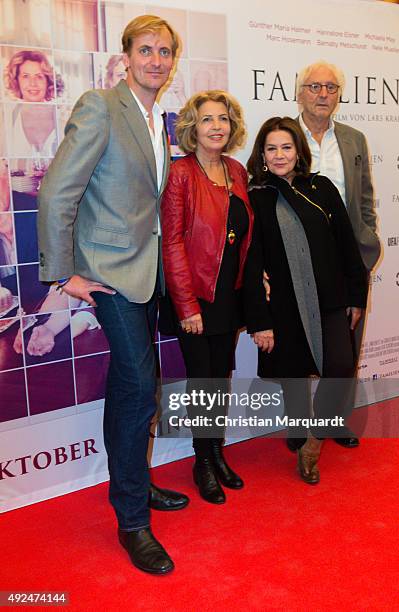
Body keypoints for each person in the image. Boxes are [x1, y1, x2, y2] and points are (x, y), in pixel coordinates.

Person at [37, 15, 189, 576]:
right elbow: (57, 191)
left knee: (129, 388)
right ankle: (132, 521)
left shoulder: (157, 119)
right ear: (126, 56)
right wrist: (61, 274)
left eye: (165, 52)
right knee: (139, 386)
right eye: (145, 50)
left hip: (144, 273)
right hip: (108, 274)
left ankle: (136, 483)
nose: (156, 60)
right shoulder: (103, 106)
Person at [244, 116, 368, 485]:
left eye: (286, 146)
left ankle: (312, 443)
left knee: (341, 367)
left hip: (330, 296)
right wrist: (259, 317)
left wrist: (356, 295)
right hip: (284, 302)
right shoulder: (256, 197)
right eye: (271, 148)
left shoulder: (322, 187)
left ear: (298, 151)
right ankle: (297, 431)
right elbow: (251, 262)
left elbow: (347, 244)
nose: (279, 155)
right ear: (262, 154)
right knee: (293, 374)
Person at [161, 90, 253, 504]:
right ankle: (202, 460)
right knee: (203, 382)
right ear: (191, 128)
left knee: (220, 378)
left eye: (223, 119)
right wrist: (187, 305)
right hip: (196, 296)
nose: (216, 126)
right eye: (207, 119)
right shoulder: (181, 173)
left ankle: (216, 451)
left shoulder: (236, 170)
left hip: (228, 295)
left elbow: (240, 236)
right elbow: (173, 244)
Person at [295, 60, 381, 449]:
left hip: (348, 259)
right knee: (297, 344)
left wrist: (367, 239)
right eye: (315, 87)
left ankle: (333, 419)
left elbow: (363, 197)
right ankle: (298, 426)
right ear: (300, 92)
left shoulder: (354, 139)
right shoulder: (283, 135)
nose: (323, 95)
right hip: (299, 258)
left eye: (330, 88)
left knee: (346, 347)